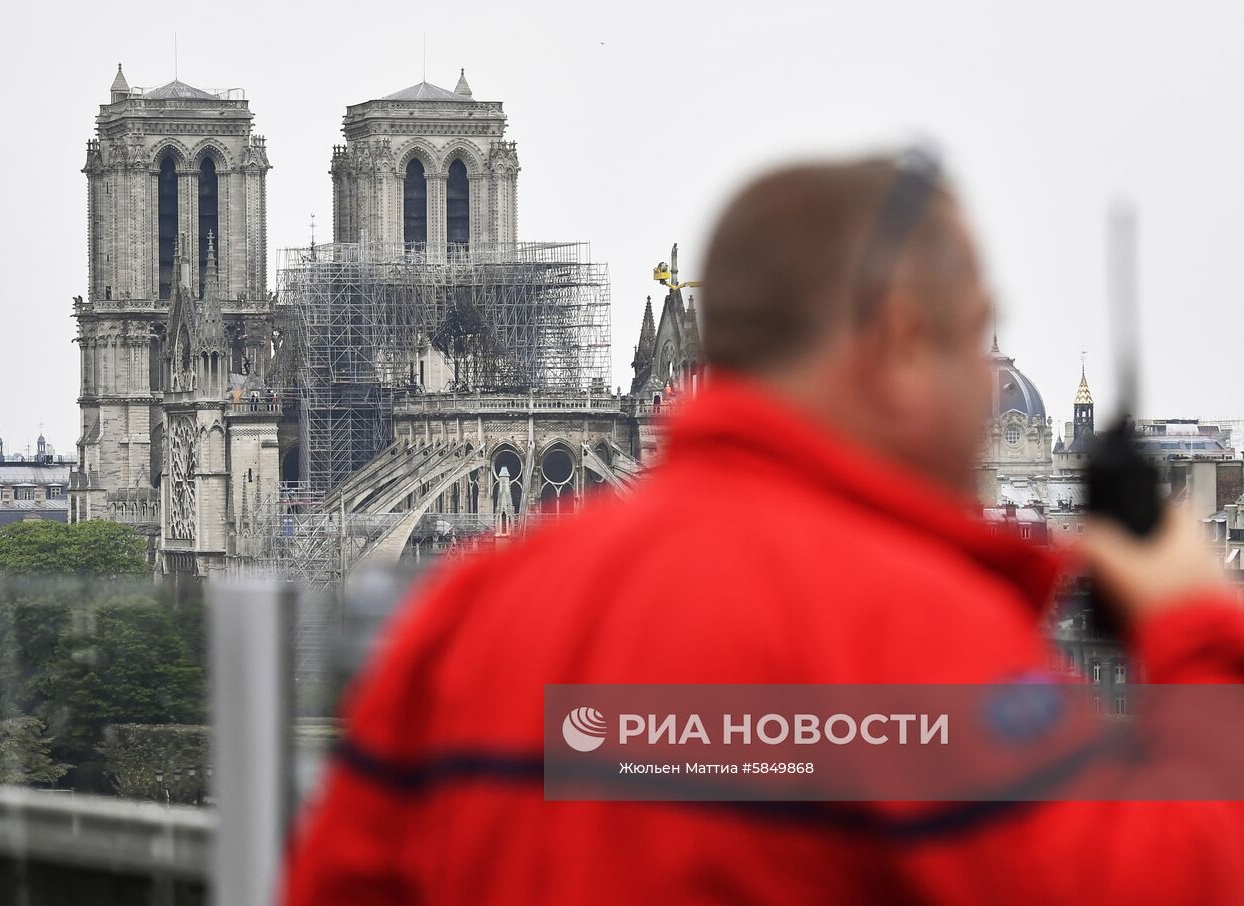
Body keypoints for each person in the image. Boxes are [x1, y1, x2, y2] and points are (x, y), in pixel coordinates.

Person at [281, 155, 1244, 904]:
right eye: (976, 341)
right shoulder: (913, 634)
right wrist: (1195, 629)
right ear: (902, 342)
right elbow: (1182, 883)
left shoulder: (467, 615)